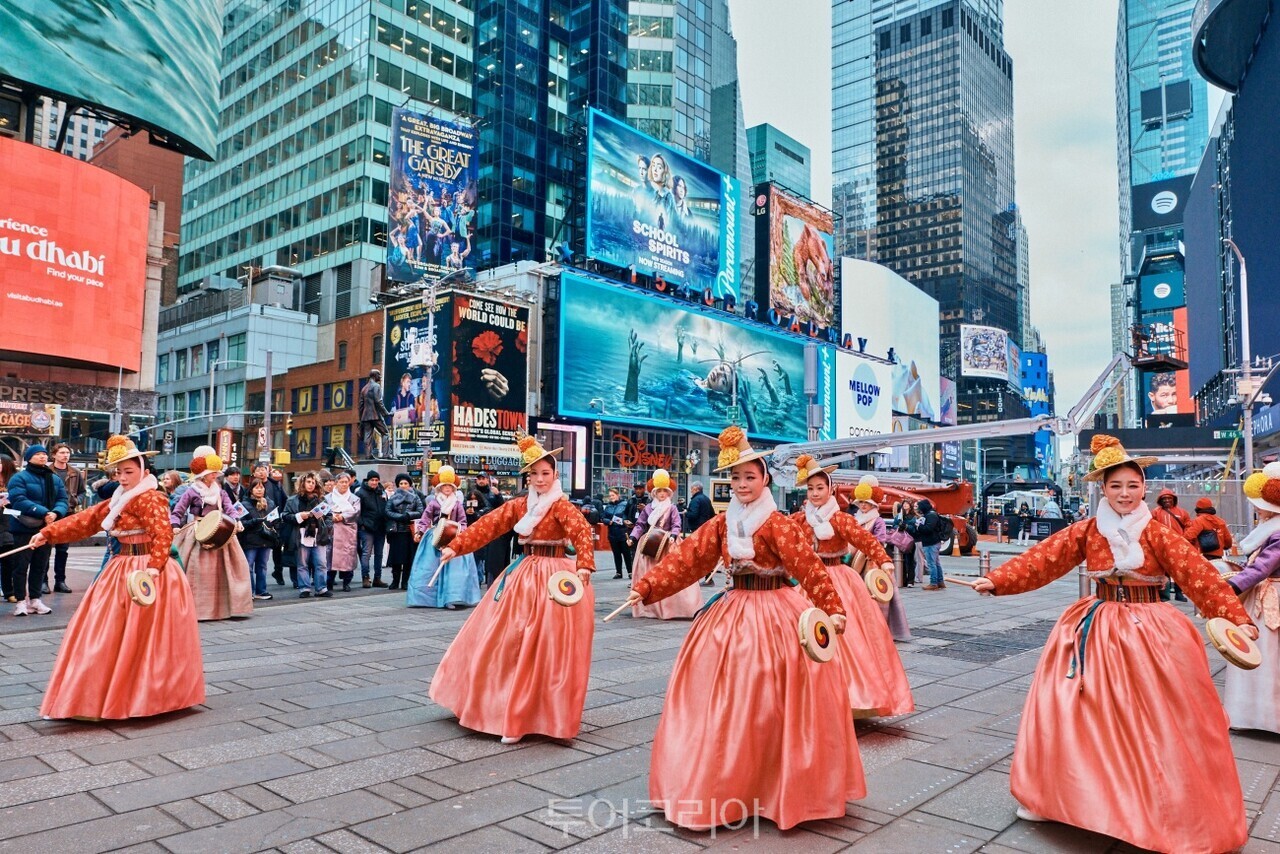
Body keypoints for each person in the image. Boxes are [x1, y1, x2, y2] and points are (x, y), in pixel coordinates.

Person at [970, 435, 1254, 853]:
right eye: (1116, 486)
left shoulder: (1158, 533)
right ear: (1102, 488)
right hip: (1096, 628)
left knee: (1161, 720)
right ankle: (1056, 796)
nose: (1125, 494)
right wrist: (997, 580)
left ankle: (1163, 809)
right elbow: (1043, 559)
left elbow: (1199, 576)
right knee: (1072, 710)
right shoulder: (1087, 530)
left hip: (1153, 630)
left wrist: (1236, 618)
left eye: (1133, 486)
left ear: (1145, 488)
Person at [619, 427, 860, 831]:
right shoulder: (721, 523)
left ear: (764, 479)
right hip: (733, 611)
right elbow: (688, 559)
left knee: (775, 699)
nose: (742, 484)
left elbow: (808, 567)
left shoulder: (779, 524)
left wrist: (833, 610)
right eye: (735, 477)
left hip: (779, 613)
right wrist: (646, 587)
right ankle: (729, 780)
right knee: (720, 699)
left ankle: (777, 783)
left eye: (750, 476)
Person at [430, 433, 596, 743]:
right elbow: (489, 525)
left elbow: (582, 532)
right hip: (524, 574)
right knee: (507, 640)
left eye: (545, 473)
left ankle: (541, 712)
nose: (540, 479)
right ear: (528, 476)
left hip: (555, 577)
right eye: (535, 474)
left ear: (555, 475)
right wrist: (456, 546)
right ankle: (503, 707)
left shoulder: (562, 507)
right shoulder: (520, 505)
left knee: (549, 646)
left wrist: (585, 563)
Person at [31, 435, 204, 719]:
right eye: (118, 472)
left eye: (128, 471)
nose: (122, 478)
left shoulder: (151, 498)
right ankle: (96, 697)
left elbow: (163, 534)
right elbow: (86, 520)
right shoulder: (119, 499)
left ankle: (143, 696)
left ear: (143, 471)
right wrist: (47, 534)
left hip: (149, 573)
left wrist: (153, 569)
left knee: (148, 638)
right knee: (104, 632)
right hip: (121, 567)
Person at [791, 462, 911, 718]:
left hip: (838, 579)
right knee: (804, 638)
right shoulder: (800, 519)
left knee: (847, 641)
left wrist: (885, 560)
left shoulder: (840, 519)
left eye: (820, 488)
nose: (815, 493)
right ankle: (806, 697)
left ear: (830, 489)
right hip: (808, 581)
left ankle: (847, 696)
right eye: (810, 488)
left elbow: (865, 539)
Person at [1224, 463, 1280, 734]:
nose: (1257, 508)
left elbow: (1261, 569)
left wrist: (1229, 587)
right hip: (1264, 597)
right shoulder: (1271, 528)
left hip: (1271, 600)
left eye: (1260, 504)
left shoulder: (1276, 532)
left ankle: (1264, 717)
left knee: (1267, 656)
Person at [170, 447, 254, 620]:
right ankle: (197, 609)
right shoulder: (191, 491)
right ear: (203, 475)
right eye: (212, 473)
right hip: (197, 530)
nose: (215, 475)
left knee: (232, 568)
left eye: (216, 473)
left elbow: (230, 509)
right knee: (197, 571)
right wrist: (175, 525)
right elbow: (178, 511)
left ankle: (227, 608)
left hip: (220, 530)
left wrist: (237, 520)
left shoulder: (220, 492)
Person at [629, 469, 700, 619]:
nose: (662, 494)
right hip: (650, 543)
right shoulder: (648, 508)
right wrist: (633, 537)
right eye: (659, 491)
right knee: (649, 573)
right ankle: (651, 608)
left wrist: (673, 535)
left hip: (668, 543)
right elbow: (640, 524)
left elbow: (676, 524)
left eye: (664, 491)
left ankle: (673, 608)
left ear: (669, 493)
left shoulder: (672, 508)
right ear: (654, 493)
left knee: (672, 573)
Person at [406, 466, 480, 609]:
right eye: (444, 486)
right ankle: (427, 599)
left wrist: (461, 533)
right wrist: (420, 532)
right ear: (439, 488)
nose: (447, 488)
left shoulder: (457, 504)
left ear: (454, 488)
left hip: (454, 536)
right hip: (435, 536)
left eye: (450, 486)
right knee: (429, 568)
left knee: (455, 570)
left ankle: (452, 598)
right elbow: (425, 519)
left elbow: (463, 521)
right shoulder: (434, 503)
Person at [7, 444, 69, 616]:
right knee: (20, 566)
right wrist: (44, 512)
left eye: (44, 454)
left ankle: (35, 599)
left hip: (46, 528)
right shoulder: (19, 478)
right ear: (29, 458)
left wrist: (56, 513)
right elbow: (18, 500)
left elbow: (63, 499)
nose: (43, 457)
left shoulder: (54, 478)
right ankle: (20, 601)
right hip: (24, 528)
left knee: (40, 565)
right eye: (38, 454)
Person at [850, 475, 911, 641]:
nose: (863, 505)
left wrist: (865, 547)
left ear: (873, 504)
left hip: (873, 562)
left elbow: (880, 540)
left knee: (876, 595)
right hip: (856, 561)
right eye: (861, 502)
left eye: (866, 502)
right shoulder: (855, 519)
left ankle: (878, 628)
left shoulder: (877, 520)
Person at [281, 472, 332, 598]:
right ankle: (304, 588)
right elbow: (285, 515)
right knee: (302, 564)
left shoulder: (321, 499)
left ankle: (321, 588)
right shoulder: (292, 500)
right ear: (302, 483)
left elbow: (329, 516)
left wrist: (326, 526)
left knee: (321, 563)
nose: (311, 484)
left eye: (313, 482)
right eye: (308, 482)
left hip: (318, 535)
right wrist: (299, 516)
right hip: (301, 534)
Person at [48, 443, 83, 594]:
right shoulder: (47, 471)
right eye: (62, 453)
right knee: (45, 549)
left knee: (63, 549)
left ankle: (60, 581)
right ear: (54, 455)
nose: (65, 455)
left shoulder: (75, 472)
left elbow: (82, 491)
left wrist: (76, 501)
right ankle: (43, 582)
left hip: (68, 512)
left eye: (67, 453)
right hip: (50, 513)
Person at [237, 478, 277, 601]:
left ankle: (261, 591)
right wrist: (254, 521)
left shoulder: (270, 503)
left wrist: (275, 523)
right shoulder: (244, 504)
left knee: (262, 566)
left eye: (261, 487)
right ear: (251, 490)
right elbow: (240, 523)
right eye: (256, 487)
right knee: (248, 566)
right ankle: (249, 592)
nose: (259, 490)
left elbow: (275, 520)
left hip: (266, 538)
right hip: (250, 539)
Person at [384, 473, 424, 591]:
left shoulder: (415, 497)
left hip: (409, 532)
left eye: (405, 483)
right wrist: (399, 517)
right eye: (401, 483)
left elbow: (420, 511)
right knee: (396, 559)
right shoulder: (393, 497)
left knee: (408, 559)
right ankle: (395, 581)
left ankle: (405, 582)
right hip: (396, 531)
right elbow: (387, 511)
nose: (403, 485)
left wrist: (408, 515)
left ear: (409, 484)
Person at [324, 470, 361, 592]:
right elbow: (323, 510)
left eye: (346, 482)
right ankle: (329, 582)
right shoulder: (327, 498)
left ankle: (346, 582)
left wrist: (342, 516)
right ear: (336, 483)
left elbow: (356, 512)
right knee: (330, 557)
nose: (344, 484)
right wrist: (332, 516)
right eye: (341, 482)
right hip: (332, 529)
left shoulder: (354, 498)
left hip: (348, 530)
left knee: (347, 556)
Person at [1152, 488, 1191, 601]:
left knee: (1179, 570)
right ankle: (1165, 594)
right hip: (1161, 545)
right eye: (1164, 498)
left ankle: (1179, 593)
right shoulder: (1155, 512)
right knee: (1163, 570)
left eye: (1169, 498)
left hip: (1177, 545)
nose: (1167, 500)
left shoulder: (1182, 512)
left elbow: (1189, 526)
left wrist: (1184, 538)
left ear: (1174, 499)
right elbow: (1151, 527)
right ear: (1160, 500)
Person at [472, 472, 511, 584]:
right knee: (477, 554)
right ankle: (478, 579)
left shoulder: (493, 493)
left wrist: (498, 495)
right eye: (479, 479)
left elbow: (502, 507)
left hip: (491, 528)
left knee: (490, 556)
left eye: (483, 478)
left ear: (487, 480)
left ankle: (488, 576)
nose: (481, 481)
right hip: (477, 527)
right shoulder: (473, 493)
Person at [355, 472, 388, 587]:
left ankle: (377, 578)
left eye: (376, 480)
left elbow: (386, 507)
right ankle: (365, 577)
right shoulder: (361, 493)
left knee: (379, 554)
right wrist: (362, 524)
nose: (374, 482)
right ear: (367, 480)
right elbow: (357, 511)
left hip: (380, 527)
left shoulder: (381, 492)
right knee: (366, 553)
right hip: (367, 528)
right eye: (372, 480)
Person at [908, 498, 945, 589]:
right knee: (936, 563)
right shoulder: (931, 514)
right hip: (933, 542)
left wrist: (918, 526)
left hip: (930, 542)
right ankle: (940, 581)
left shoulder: (930, 516)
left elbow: (928, 529)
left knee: (931, 564)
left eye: (920, 507)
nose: (919, 509)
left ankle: (933, 583)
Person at [359, 368, 392, 459]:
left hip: (365, 417)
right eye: (379, 375)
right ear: (374, 376)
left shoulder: (364, 389)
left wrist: (361, 419)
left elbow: (360, 406)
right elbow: (379, 401)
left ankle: (368, 455)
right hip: (375, 415)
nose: (380, 377)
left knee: (367, 435)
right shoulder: (376, 386)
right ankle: (386, 455)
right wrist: (386, 413)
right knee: (385, 433)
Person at [602, 488, 632, 579]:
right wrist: (608, 521)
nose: (611, 497)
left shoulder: (624, 504)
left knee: (626, 553)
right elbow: (603, 517)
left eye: (613, 495)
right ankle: (618, 572)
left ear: (618, 495)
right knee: (616, 554)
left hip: (623, 532)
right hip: (612, 533)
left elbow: (628, 516)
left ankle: (630, 572)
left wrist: (623, 521)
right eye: (610, 496)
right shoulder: (608, 506)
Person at [0, 456, 17, 603]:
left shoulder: (15, 481)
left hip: (8, 525)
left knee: (8, 560)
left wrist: (7, 505)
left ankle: (9, 591)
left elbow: (20, 506)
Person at [891, 499, 918, 587]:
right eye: (904, 504)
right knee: (901, 560)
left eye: (907, 504)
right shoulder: (899, 516)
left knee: (910, 560)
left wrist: (906, 526)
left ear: (910, 506)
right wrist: (898, 527)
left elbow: (914, 529)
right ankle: (903, 580)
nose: (905, 505)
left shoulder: (913, 517)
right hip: (900, 540)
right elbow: (894, 525)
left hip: (910, 540)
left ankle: (910, 581)